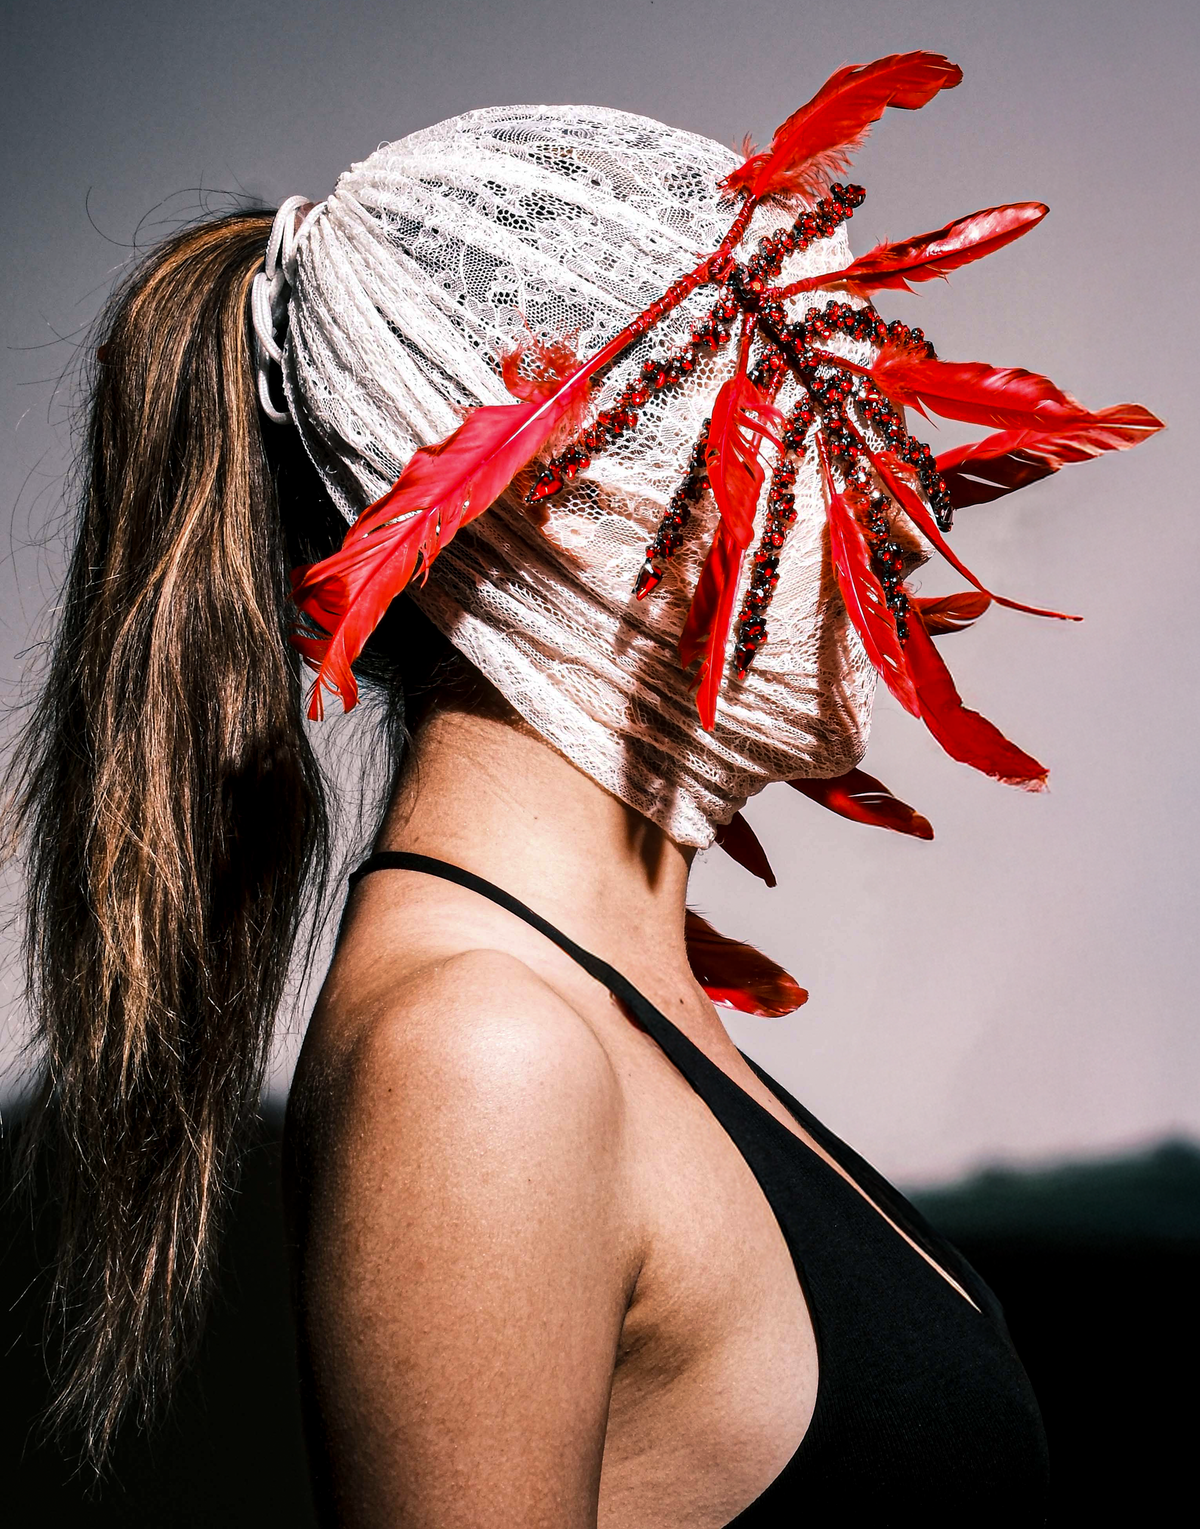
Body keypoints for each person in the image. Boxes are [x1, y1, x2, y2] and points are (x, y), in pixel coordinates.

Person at [7, 51, 1160, 1527]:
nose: (892, 492)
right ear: (574, 508)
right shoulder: (484, 1053)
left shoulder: (593, 1006)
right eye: (805, 404)